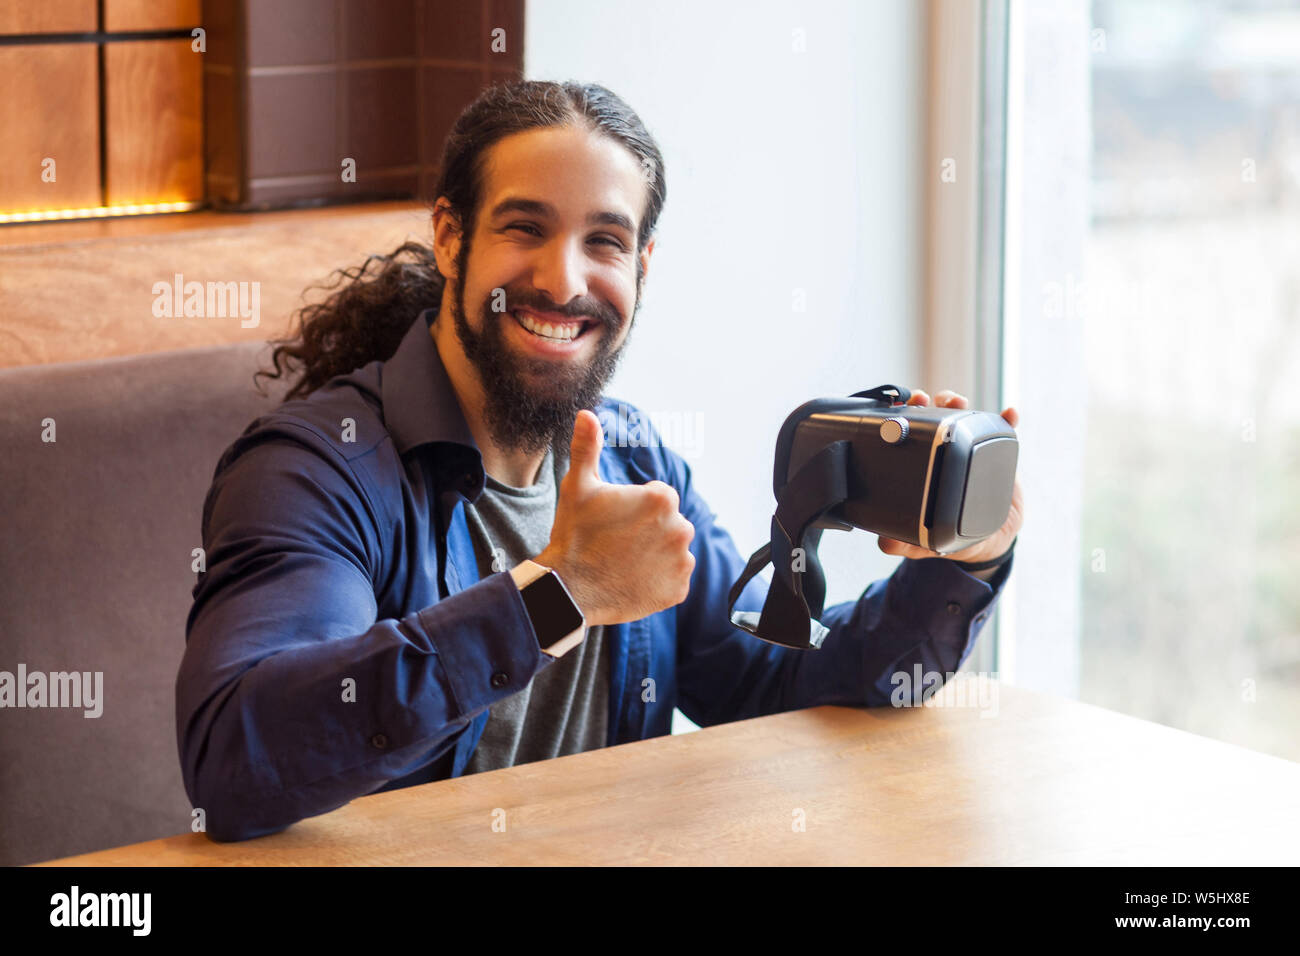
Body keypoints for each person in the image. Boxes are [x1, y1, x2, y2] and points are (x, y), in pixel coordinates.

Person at [176, 80, 1025, 842]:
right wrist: (561, 595)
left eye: (606, 242)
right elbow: (238, 757)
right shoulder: (318, 470)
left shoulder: (635, 459)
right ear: (449, 237)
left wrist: (963, 563)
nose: (563, 277)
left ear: (642, 270)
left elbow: (785, 685)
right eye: (525, 228)